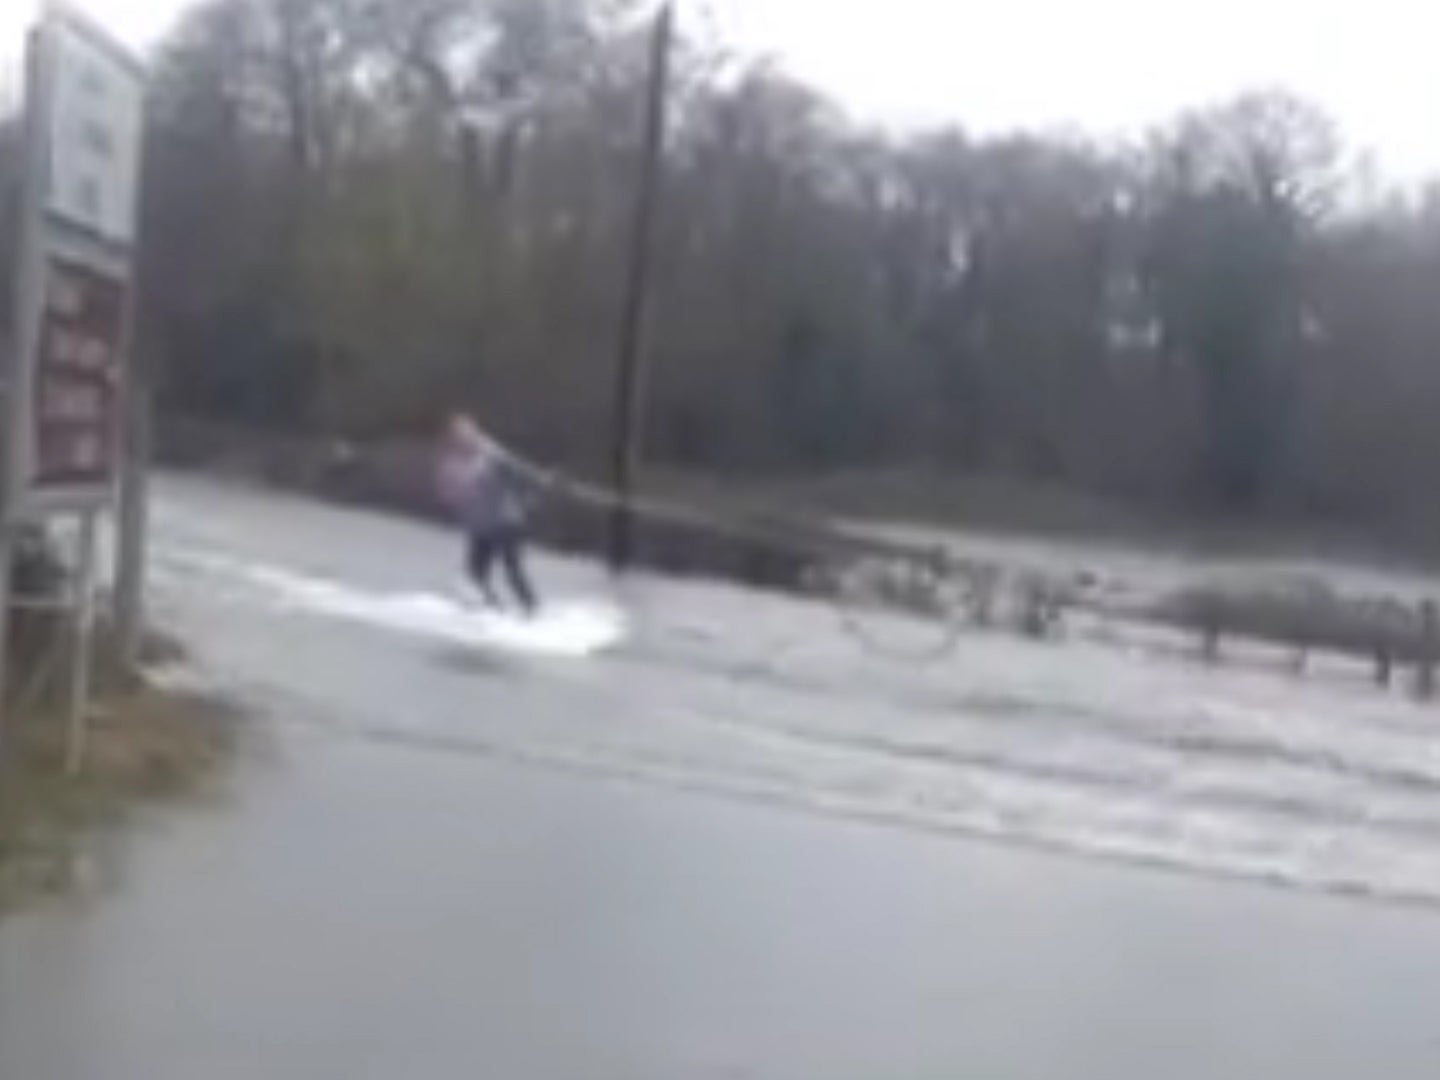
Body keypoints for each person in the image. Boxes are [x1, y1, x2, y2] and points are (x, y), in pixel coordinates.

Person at [436, 413, 547, 615]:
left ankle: (532, 610)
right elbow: (454, 491)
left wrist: (531, 494)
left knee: (512, 569)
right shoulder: (456, 461)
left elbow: (519, 476)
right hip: (482, 523)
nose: (461, 438)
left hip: (506, 522)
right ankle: (491, 609)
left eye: (465, 433)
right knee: (475, 573)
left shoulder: (493, 456)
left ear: (474, 433)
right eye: (456, 435)